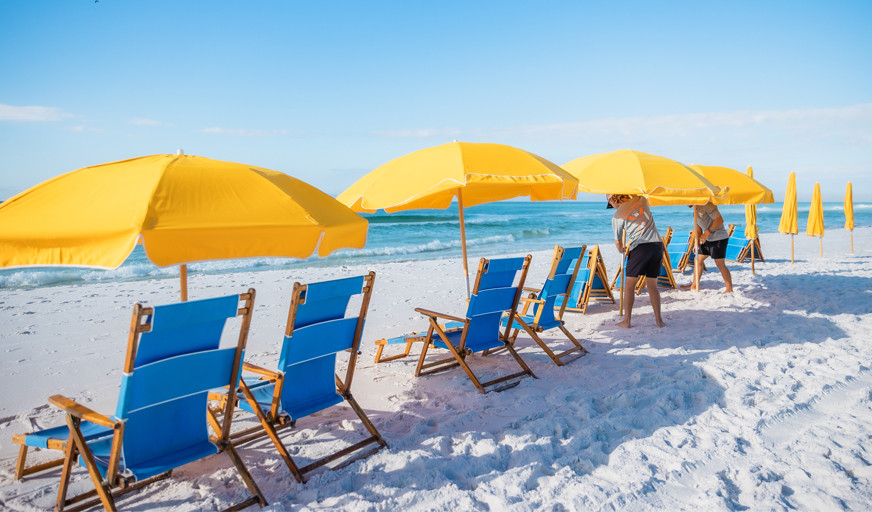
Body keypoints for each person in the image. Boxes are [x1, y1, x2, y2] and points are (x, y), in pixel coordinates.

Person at [608, 194, 665, 328]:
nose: (613, 207)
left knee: (629, 286)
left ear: (612, 200)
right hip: (657, 246)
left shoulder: (617, 216)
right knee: (652, 286)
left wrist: (621, 249)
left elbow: (618, 242)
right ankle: (659, 321)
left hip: (640, 248)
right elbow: (637, 191)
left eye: (611, 204)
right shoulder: (641, 199)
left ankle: (627, 321)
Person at [681, 201, 733, 293]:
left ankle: (729, 288)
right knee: (698, 259)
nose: (685, 202)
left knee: (719, 264)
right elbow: (698, 229)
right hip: (708, 239)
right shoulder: (695, 211)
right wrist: (696, 243)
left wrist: (707, 234)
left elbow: (720, 220)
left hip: (719, 238)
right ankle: (694, 285)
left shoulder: (707, 205)